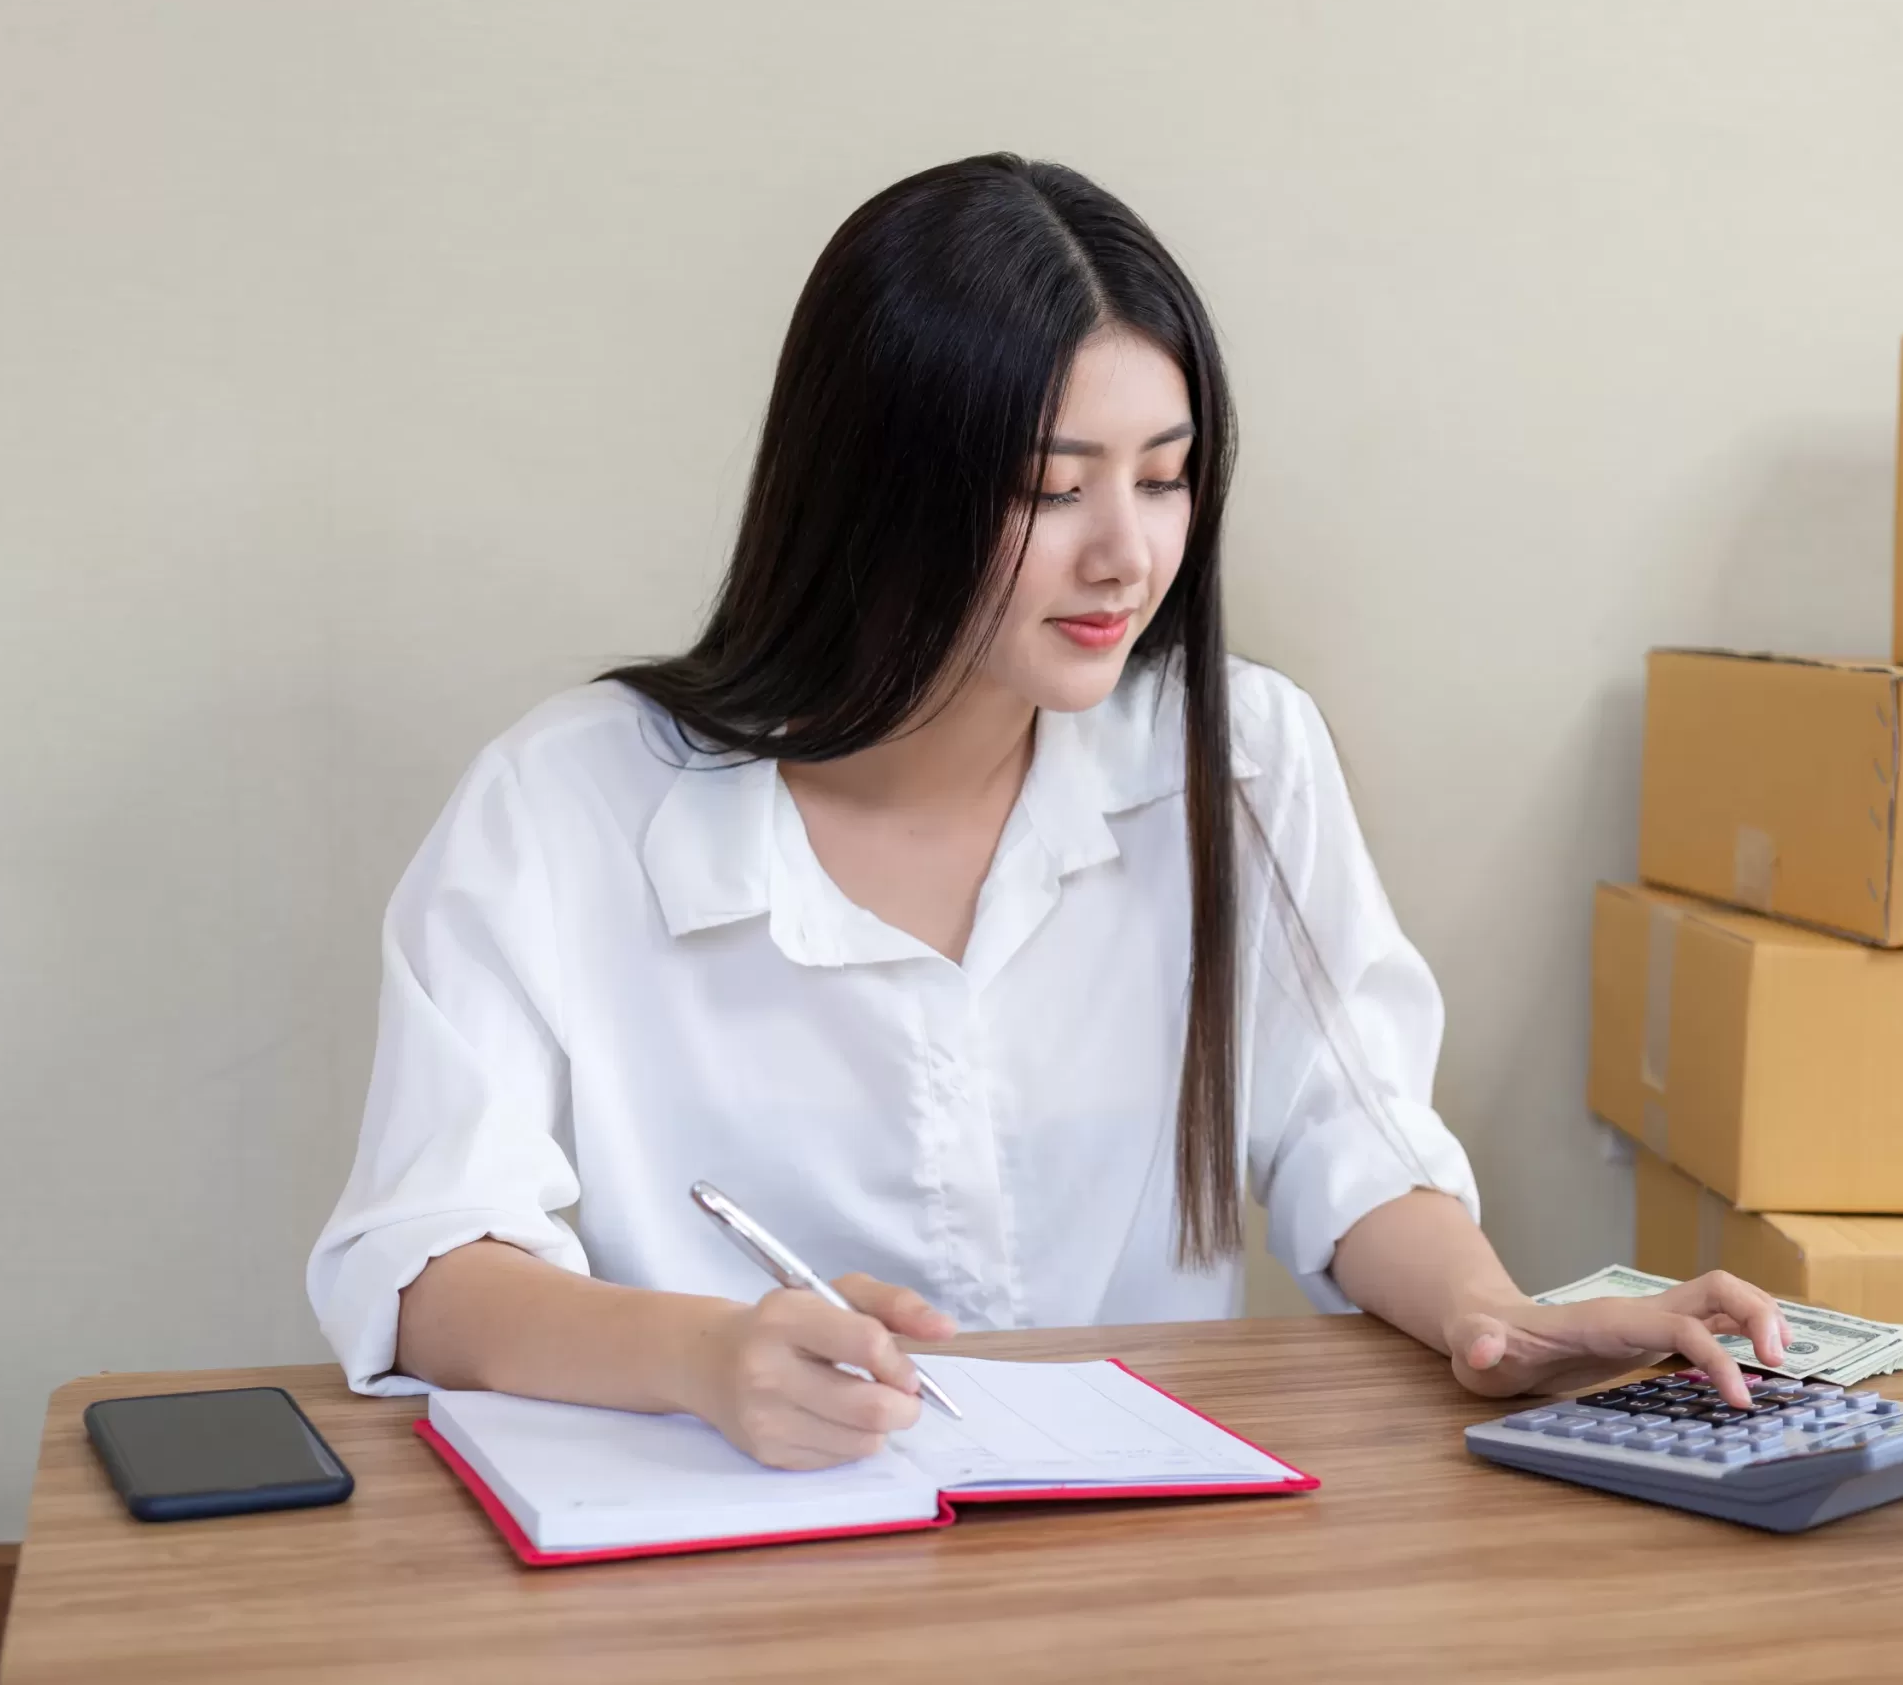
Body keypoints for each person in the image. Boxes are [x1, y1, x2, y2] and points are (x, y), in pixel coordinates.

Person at [307, 153, 1787, 1471]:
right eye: (1050, 487)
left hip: (1125, 1567)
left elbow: (1352, 1137)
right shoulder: (567, 802)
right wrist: (701, 1354)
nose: (1125, 556)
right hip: (726, 1567)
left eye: (1165, 477)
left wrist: (1495, 1319)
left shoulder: (1238, 755)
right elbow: (427, 1257)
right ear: (876, 487)